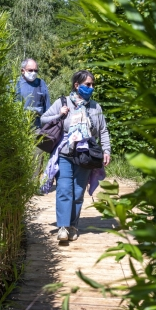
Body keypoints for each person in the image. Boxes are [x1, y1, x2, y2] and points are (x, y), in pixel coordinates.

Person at [40, 70, 111, 242]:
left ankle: (73, 225)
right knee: (64, 189)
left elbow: (103, 130)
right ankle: (63, 227)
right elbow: (43, 119)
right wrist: (60, 114)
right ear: (77, 85)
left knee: (78, 192)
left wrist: (107, 150)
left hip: (86, 155)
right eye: (88, 84)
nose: (91, 87)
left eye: (92, 84)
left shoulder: (95, 107)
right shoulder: (62, 102)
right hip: (65, 152)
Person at [15, 58, 50, 179]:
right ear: (22, 70)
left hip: (37, 127)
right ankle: (20, 184)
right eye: (31, 70)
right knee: (20, 156)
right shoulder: (15, 83)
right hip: (19, 127)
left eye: (36, 70)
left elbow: (47, 107)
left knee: (37, 156)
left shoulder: (41, 84)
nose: (33, 73)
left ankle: (33, 185)